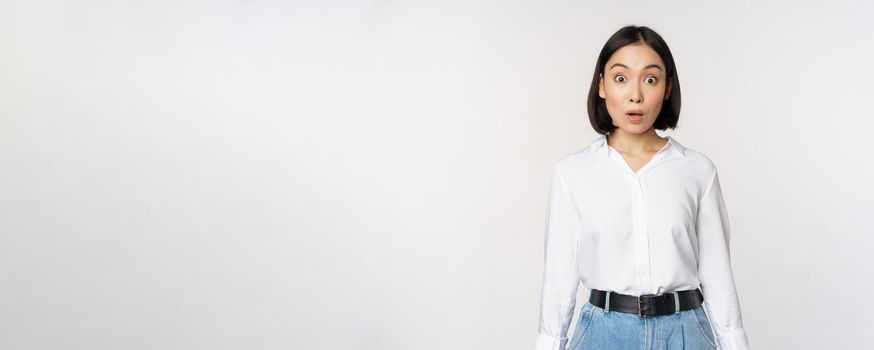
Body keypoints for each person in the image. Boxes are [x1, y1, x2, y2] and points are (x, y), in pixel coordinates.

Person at [533, 25, 750, 350]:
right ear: (602, 85)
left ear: (667, 88)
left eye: (650, 79)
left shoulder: (697, 171)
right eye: (621, 78)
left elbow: (717, 276)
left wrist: (735, 343)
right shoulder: (572, 173)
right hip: (603, 334)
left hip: (685, 333)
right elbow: (558, 281)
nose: (636, 94)